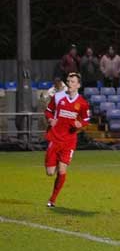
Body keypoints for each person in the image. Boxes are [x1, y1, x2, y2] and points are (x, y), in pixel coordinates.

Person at [44, 72, 90, 207]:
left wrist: (80, 124)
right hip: (55, 137)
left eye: (73, 82)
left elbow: (86, 119)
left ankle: (52, 199)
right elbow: (48, 110)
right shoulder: (58, 97)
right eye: (69, 81)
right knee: (50, 173)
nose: (70, 84)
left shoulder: (82, 103)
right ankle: (56, 164)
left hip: (69, 141)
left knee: (62, 170)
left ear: (78, 85)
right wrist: (50, 119)